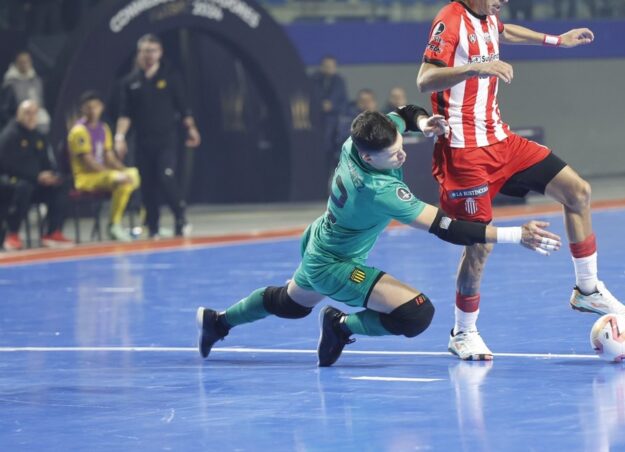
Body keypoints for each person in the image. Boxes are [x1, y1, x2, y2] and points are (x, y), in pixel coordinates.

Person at [197, 106, 562, 367]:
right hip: (335, 264)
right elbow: (448, 229)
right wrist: (517, 234)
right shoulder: (377, 189)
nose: (402, 154)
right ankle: (340, 325)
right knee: (417, 314)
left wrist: (422, 121)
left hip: (321, 238)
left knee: (292, 305)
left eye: (401, 145)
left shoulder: (359, 140)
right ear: (370, 160)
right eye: (393, 155)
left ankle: (218, 321)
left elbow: (402, 114)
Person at [417, 0, 625, 361]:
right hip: (463, 153)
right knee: (479, 244)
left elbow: (505, 32)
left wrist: (556, 41)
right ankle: (463, 332)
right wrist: (476, 67)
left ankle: (587, 289)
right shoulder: (450, 19)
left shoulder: (487, 15)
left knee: (577, 192)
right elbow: (425, 78)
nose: (503, 1)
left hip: (502, 141)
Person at [114, 34, 201, 238]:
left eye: (153, 51)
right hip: (143, 141)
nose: (149, 56)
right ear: (139, 54)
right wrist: (119, 137)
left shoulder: (170, 77)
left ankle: (181, 217)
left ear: (160, 53)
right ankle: (152, 226)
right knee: (148, 184)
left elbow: (183, 107)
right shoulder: (130, 82)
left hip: (167, 140)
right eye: (145, 51)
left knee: (166, 176)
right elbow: (124, 114)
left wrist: (192, 129)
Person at [67, 91, 140, 241]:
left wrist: (122, 170)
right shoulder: (79, 131)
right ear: (83, 109)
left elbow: (109, 156)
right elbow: (89, 162)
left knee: (133, 174)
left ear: (102, 107)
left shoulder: (103, 128)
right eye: (89, 107)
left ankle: (136, 222)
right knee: (121, 180)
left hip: (103, 175)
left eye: (96, 106)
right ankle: (113, 224)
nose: (93, 111)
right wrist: (113, 174)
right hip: (85, 178)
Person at [0, 100, 72, 250]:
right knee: (23, 187)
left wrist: (52, 175)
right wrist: (36, 176)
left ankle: (52, 232)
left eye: (35, 113)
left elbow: (48, 161)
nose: (31, 117)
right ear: (18, 115)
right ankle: (12, 234)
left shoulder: (39, 136)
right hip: (12, 184)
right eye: (27, 113)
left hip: (36, 183)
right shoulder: (9, 135)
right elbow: (7, 166)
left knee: (61, 185)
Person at [310, 56, 348, 169]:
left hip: (334, 123)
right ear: (321, 66)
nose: (328, 68)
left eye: (331, 66)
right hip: (316, 120)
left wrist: (332, 106)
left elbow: (343, 102)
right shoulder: (313, 80)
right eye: (326, 66)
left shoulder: (340, 82)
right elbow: (309, 98)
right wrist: (320, 105)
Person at [1, 51, 50, 133]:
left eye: (27, 61)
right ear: (16, 63)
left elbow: (41, 103)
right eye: (21, 62)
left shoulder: (37, 81)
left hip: (39, 125)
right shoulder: (10, 84)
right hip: (19, 128)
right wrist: (17, 124)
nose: (25, 64)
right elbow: (4, 110)